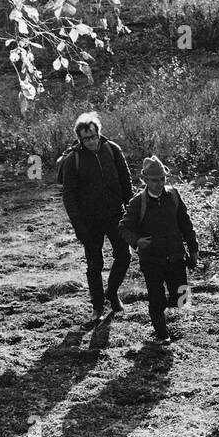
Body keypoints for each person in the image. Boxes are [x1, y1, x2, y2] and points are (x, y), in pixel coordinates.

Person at [59, 111, 133, 349]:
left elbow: (126, 181)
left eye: (93, 136)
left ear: (98, 133)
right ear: (80, 139)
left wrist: (131, 212)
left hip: (115, 214)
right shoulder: (74, 160)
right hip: (89, 221)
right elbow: (69, 196)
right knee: (94, 265)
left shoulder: (113, 150)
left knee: (124, 255)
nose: (90, 141)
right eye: (86, 138)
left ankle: (112, 292)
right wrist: (78, 225)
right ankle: (97, 307)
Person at [118, 155, 199, 344]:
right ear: (145, 180)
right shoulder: (138, 202)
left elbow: (186, 223)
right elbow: (123, 228)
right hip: (152, 261)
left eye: (162, 179)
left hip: (176, 257)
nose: (159, 183)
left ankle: (170, 313)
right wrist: (137, 241)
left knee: (182, 298)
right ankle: (163, 335)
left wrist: (193, 249)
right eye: (154, 180)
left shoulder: (173, 195)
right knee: (156, 301)